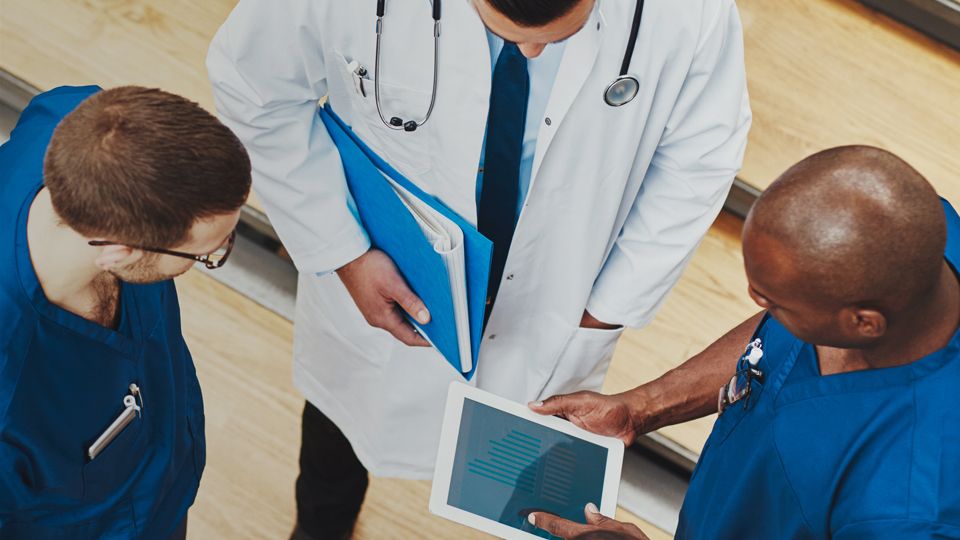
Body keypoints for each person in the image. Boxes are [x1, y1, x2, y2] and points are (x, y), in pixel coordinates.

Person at [207, 0, 751, 537]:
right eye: (506, 30)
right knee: (338, 427)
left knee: (528, 486)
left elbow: (700, 159)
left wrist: (604, 310)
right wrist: (341, 248)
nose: (533, 50)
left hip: (560, 290)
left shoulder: (691, 13)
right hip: (387, 268)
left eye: (559, 35)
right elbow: (252, 86)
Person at [524, 146, 960, 539]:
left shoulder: (906, 512)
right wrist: (642, 407)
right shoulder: (916, 239)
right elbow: (775, 346)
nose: (759, 305)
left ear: (863, 324)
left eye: (774, 302)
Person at [0, 86, 251, 539]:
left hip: (165, 479)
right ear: (118, 252)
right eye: (209, 252)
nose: (213, 255)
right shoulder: (9, 383)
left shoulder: (81, 120)